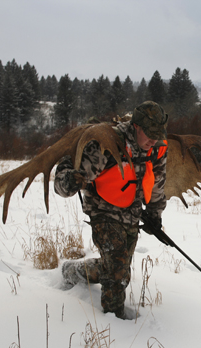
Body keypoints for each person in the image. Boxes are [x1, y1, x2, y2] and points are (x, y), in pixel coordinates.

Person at [55, 101, 168, 319]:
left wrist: (154, 213)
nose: (154, 139)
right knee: (117, 270)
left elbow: (158, 181)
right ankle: (113, 323)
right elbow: (67, 176)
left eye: (158, 134)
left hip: (132, 212)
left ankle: (73, 271)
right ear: (136, 126)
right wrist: (68, 181)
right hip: (103, 211)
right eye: (149, 133)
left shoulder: (156, 147)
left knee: (119, 269)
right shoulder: (108, 143)